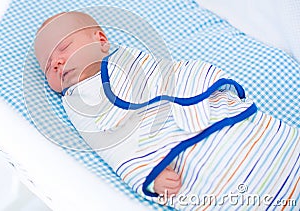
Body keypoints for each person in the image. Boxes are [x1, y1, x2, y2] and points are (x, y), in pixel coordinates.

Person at [34, 11, 299, 208]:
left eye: (63, 48)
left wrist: (208, 90)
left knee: (280, 152)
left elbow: (174, 75)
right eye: (47, 67)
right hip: (188, 162)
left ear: (101, 39)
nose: (56, 62)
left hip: (230, 127)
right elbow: (109, 146)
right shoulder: (77, 103)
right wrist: (147, 175)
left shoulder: (131, 58)